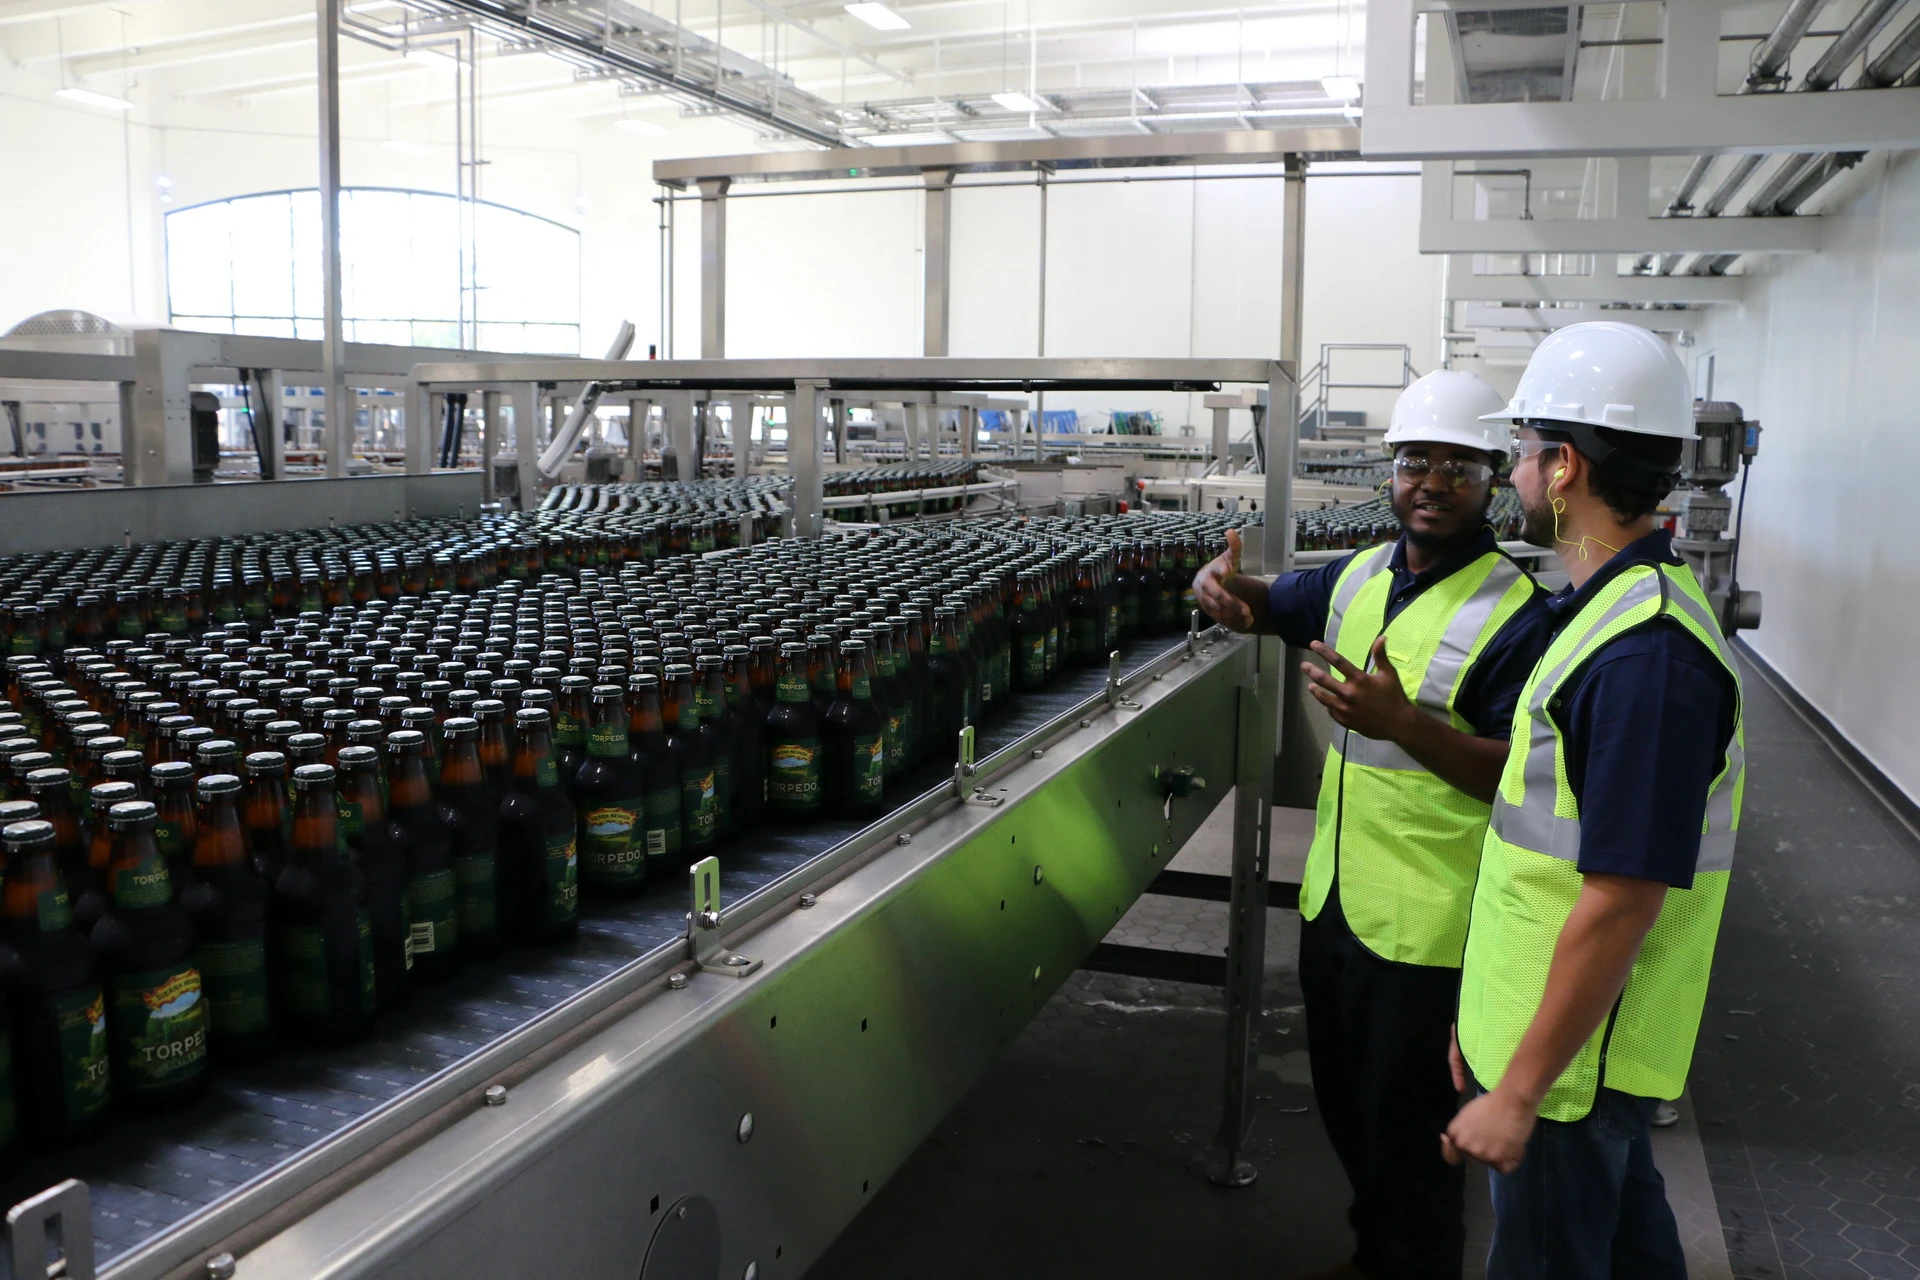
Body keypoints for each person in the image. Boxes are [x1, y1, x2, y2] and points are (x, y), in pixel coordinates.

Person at [1194, 369, 1551, 1280]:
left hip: (1430, 934)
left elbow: (1521, 775)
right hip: (1337, 911)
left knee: (1414, 1148)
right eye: (1413, 462)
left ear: (1493, 479)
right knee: (1350, 1117)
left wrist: (1405, 727)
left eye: (1459, 466)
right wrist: (1233, 592)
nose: (1431, 481)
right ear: (1389, 475)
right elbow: (1277, 601)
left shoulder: (1520, 617)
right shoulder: (1361, 574)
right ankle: (1374, 1261)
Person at [1442, 321, 1743, 1280]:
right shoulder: (1608, 609)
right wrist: (1484, 1025)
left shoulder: (1645, 655)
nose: (1513, 473)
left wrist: (1518, 1090)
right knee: (1629, 1249)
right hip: (1551, 1042)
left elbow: (1621, 898)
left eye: (1522, 452)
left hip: (1570, 1076)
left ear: (1565, 465)